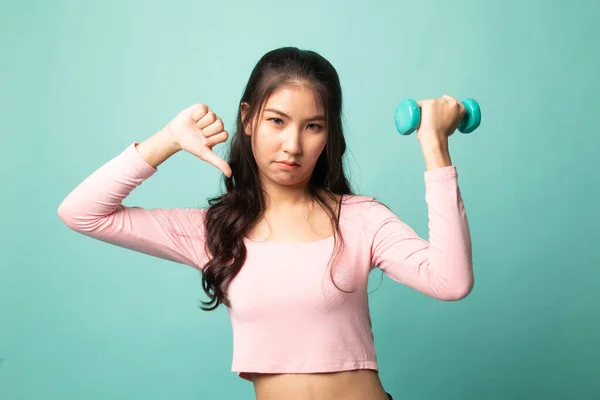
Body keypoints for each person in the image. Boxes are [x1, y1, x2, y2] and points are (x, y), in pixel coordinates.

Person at [57, 46, 474, 400]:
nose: (293, 145)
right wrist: (166, 140)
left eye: (313, 127)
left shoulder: (361, 218)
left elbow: (451, 281)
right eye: (277, 121)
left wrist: (435, 147)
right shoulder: (215, 232)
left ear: (328, 136)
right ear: (248, 118)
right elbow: (82, 212)